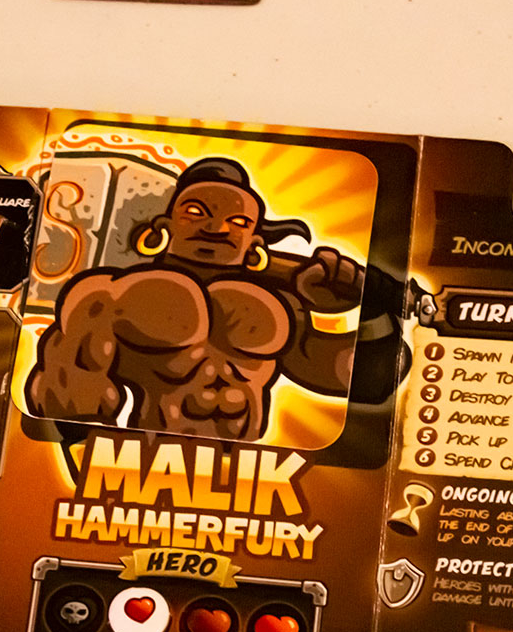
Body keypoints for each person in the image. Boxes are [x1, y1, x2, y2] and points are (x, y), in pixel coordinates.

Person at [25, 157, 364, 441]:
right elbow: (65, 398)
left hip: (242, 479)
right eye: (196, 212)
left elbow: (358, 376)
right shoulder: (111, 296)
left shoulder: (278, 307)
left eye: (238, 221)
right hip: (131, 470)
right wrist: (98, 474)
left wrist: (371, 300)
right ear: (163, 226)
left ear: (255, 242)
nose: (217, 229)